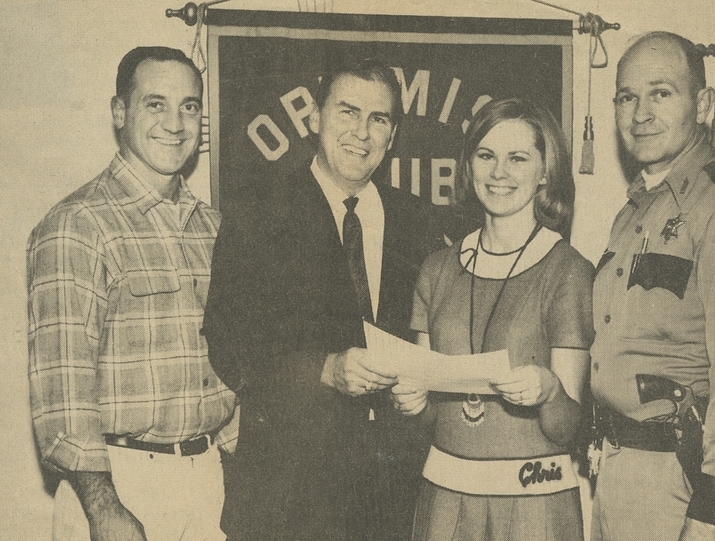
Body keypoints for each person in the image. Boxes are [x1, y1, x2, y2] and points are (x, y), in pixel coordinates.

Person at [202, 56, 444, 540]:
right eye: (347, 112)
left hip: (393, 500)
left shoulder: (419, 223)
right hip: (288, 499)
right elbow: (230, 347)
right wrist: (325, 369)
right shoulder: (258, 212)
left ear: (393, 136)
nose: (362, 132)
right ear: (315, 118)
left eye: (379, 119)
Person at [27, 46, 238, 541]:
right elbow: (65, 388)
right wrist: (104, 510)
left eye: (189, 106)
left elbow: (230, 359)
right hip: (118, 484)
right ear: (120, 112)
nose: (175, 122)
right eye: (155, 104)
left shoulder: (215, 228)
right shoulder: (76, 225)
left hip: (209, 480)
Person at [590, 32, 715, 541]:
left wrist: (709, 520)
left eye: (661, 93)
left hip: (679, 479)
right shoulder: (636, 211)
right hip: (617, 469)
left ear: (703, 104)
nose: (640, 114)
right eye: (626, 97)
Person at [393, 97, 594, 541]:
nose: (499, 172)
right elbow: (429, 419)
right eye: (486, 155)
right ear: (469, 167)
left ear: (545, 171)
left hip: (534, 506)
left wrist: (550, 391)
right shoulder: (436, 268)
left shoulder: (568, 271)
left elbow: (568, 427)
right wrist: (413, 402)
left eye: (517, 158)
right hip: (445, 498)